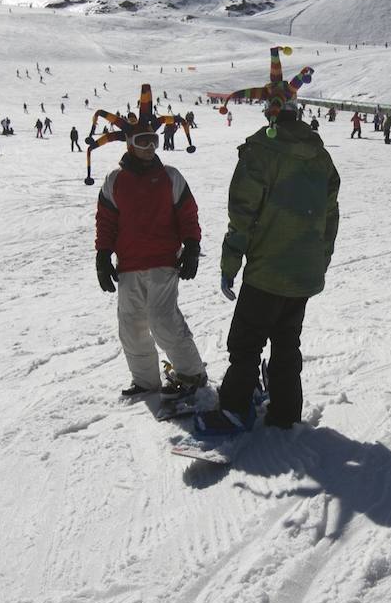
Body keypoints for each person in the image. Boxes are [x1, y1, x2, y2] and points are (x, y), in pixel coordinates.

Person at [195, 99, 340, 437]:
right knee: (287, 342)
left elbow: (242, 214)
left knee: (246, 344)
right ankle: (286, 413)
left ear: (271, 116)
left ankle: (233, 409)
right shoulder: (321, 157)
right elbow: (330, 215)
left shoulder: (261, 151)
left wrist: (230, 263)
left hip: (267, 271)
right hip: (303, 272)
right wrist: (320, 260)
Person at [94, 124, 208, 403]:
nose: (150, 148)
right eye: (144, 142)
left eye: (154, 142)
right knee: (131, 324)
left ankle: (192, 374)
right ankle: (145, 381)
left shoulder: (170, 176)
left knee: (163, 320)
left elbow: (187, 213)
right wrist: (102, 255)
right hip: (129, 264)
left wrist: (192, 246)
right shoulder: (115, 180)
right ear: (130, 144)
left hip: (163, 261)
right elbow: (106, 220)